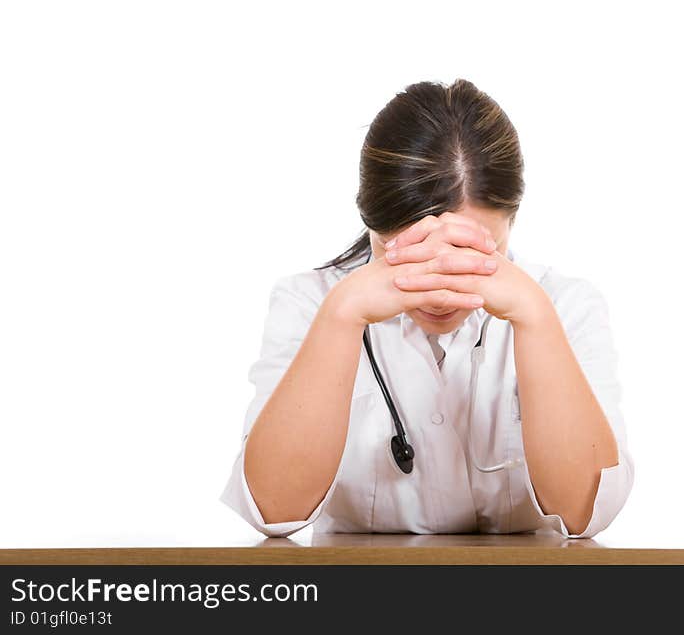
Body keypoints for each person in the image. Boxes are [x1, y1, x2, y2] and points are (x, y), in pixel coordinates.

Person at [220, 78, 634, 539]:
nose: (439, 292)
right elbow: (272, 511)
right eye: (412, 253)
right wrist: (341, 318)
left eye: (471, 254)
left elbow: (585, 517)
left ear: (512, 222)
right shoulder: (310, 302)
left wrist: (535, 319)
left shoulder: (565, 305)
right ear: (370, 223)